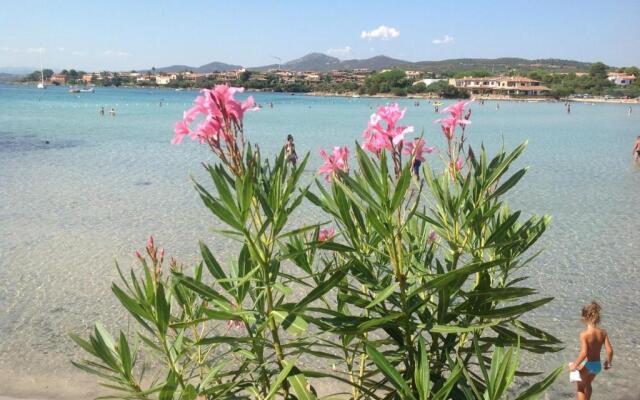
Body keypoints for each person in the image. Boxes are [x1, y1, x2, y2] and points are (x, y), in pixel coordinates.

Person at [569, 301, 614, 400]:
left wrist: (574, 365)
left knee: (580, 387)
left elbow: (584, 353)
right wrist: (608, 363)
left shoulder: (584, 334)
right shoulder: (603, 333)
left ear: (584, 318)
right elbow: (610, 351)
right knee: (588, 384)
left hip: (588, 365)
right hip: (597, 366)